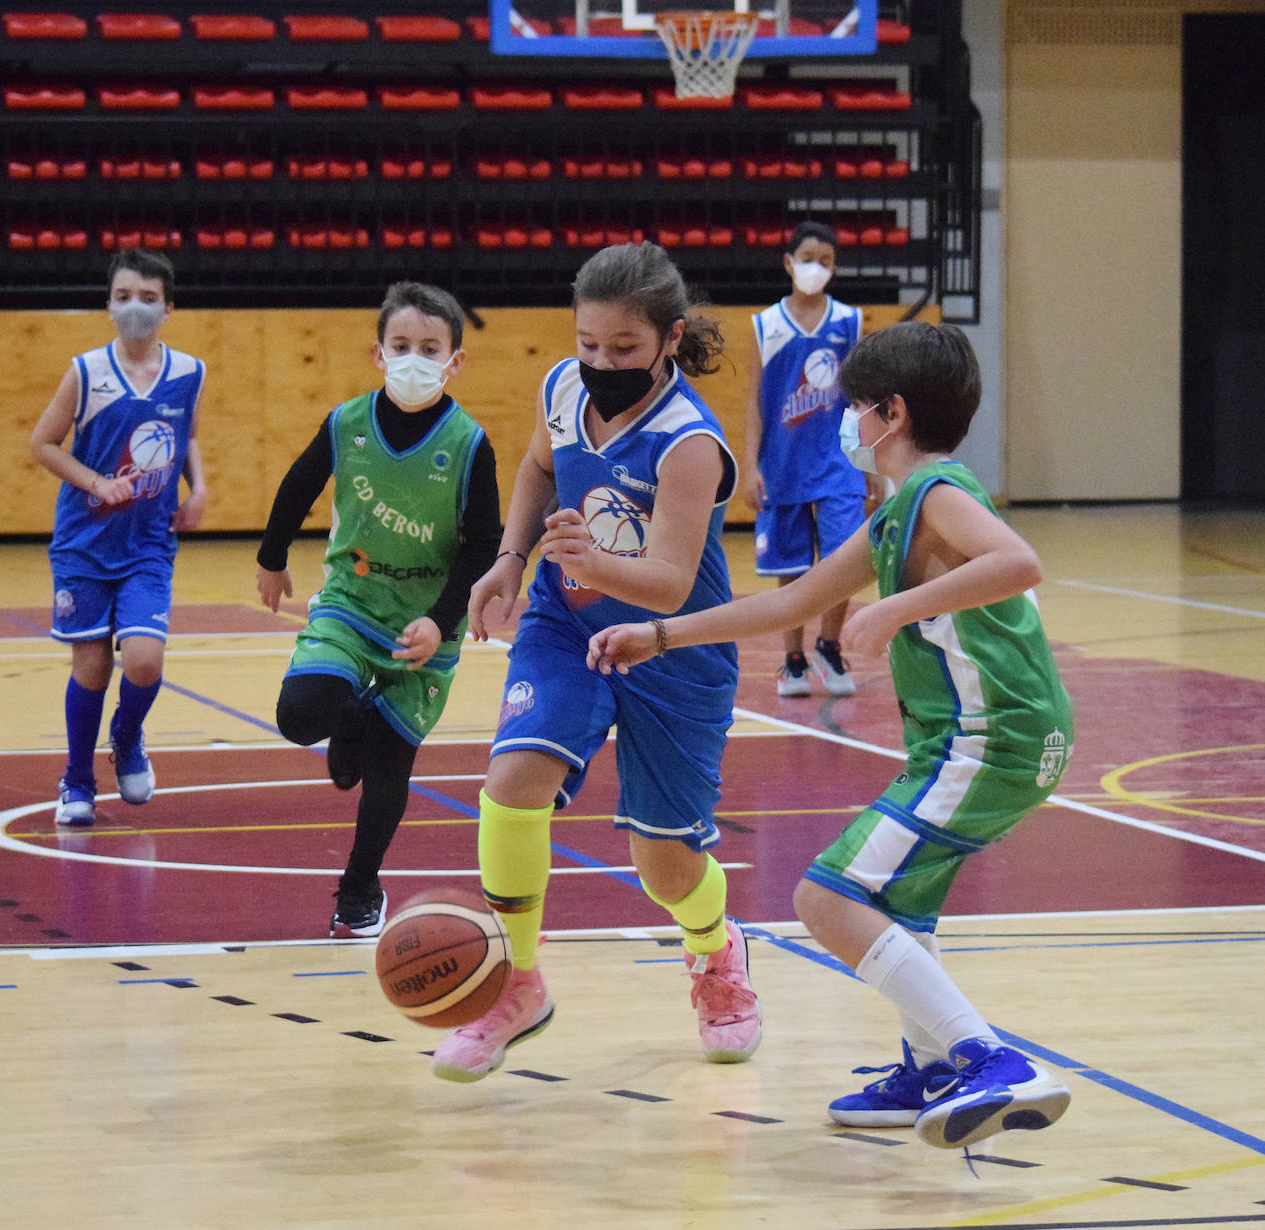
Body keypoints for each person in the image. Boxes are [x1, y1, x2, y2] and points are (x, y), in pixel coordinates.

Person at [589, 321, 1074, 1151]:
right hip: (979, 741)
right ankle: (930, 1064)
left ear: (889, 412)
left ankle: (990, 1059)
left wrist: (891, 608)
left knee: (826, 896)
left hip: (994, 737)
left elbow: (1019, 560)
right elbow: (788, 603)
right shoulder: (896, 515)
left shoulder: (938, 493)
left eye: (853, 406)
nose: (843, 421)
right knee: (896, 904)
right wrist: (658, 634)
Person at [430, 242, 761, 1084]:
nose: (600, 362)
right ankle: (518, 984)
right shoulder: (561, 388)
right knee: (513, 785)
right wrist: (509, 558)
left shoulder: (690, 443)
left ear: (670, 339)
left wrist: (585, 562)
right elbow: (539, 469)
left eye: (623, 349)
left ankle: (717, 951)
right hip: (566, 625)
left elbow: (671, 582)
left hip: (673, 647)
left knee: (666, 868)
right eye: (588, 343)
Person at [255, 281, 502, 939]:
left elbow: (484, 546)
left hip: (424, 628)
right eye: (402, 346)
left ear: (455, 360)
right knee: (300, 715)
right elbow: (299, 484)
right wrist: (272, 556)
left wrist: (442, 619)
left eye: (430, 348)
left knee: (391, 768)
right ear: (378, 352)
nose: (414, 358)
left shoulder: (470, 444)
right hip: (350, 605)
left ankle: (360, 890)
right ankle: (352, 724)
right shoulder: (347, 423)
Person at [29, 248, 207, 827]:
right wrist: (96, 482)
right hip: (85, 542)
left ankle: (126, 736)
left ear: (169, 307)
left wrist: (198, 488)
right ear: (108, 305)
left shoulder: (188, 373)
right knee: (91, 668)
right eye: (125, 295)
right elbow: (43, 444)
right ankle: (77, 780)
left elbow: (187, 438)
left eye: (149, 298)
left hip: (148, 544)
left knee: (144, 661)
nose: (136, 307)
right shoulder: (86, 372)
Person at [743, 220, 877, 698]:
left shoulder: (850, 321)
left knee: (844, 557)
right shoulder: (766, 324)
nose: (815, 268)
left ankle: (829, 645)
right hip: (783, 462)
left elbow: (864, 398)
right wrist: (750, 463)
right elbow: (756, 402)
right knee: (792, 566)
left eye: (825, 260)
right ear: (788, 263)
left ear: (835, 267)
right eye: (807, 259)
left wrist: (871, 461)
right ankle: (793, 658)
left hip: (840, 461)